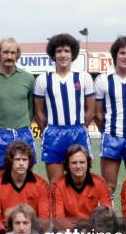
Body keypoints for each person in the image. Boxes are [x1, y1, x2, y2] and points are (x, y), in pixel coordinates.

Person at [34, 33, 95, 182]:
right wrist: (48, 131)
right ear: (53, 54)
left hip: (78, 132)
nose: (63, 55)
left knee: (80, 181)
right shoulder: (43, 79)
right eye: (59, 51)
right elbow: (38, 112)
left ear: (73, 53)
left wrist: (79, 127)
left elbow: (91, 109)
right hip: (54, 133)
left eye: (67, 51)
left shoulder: (84, 77)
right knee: (56, 183)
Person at [94, 36, 126, 195]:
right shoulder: (103, 79)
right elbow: (97, 113)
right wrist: (109, 131)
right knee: (108, 187)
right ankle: (107, 220)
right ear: (115, 54)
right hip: (112, 138)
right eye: (122, 52)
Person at [0, 38, 36, 177]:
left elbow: (30, 107)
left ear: (17, 55)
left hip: (22, 134)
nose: (9, 56)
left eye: (13, 52)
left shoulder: (28, 78)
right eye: (5, 52)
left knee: (26, 180)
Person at [0, 141, 50, 234]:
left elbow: (44, 216)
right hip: (5, 230)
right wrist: (4, 233)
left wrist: (27, 232)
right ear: (10, 161)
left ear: (29, 162)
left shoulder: (41, 183)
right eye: (17, 159)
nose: (21, 163)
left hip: (31, 229)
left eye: (24, 160)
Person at [51, 144, 111, 233]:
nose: (78, 166)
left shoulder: (99, 182)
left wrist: (92, 229)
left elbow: (107, 213)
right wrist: (77, 230)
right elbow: (58, 218)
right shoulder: (58, 185)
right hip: (68, 229)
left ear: (88, 163)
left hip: (92, 228)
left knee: (107, 233)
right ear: (67, 165)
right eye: (74, 163)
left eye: (82, 162)